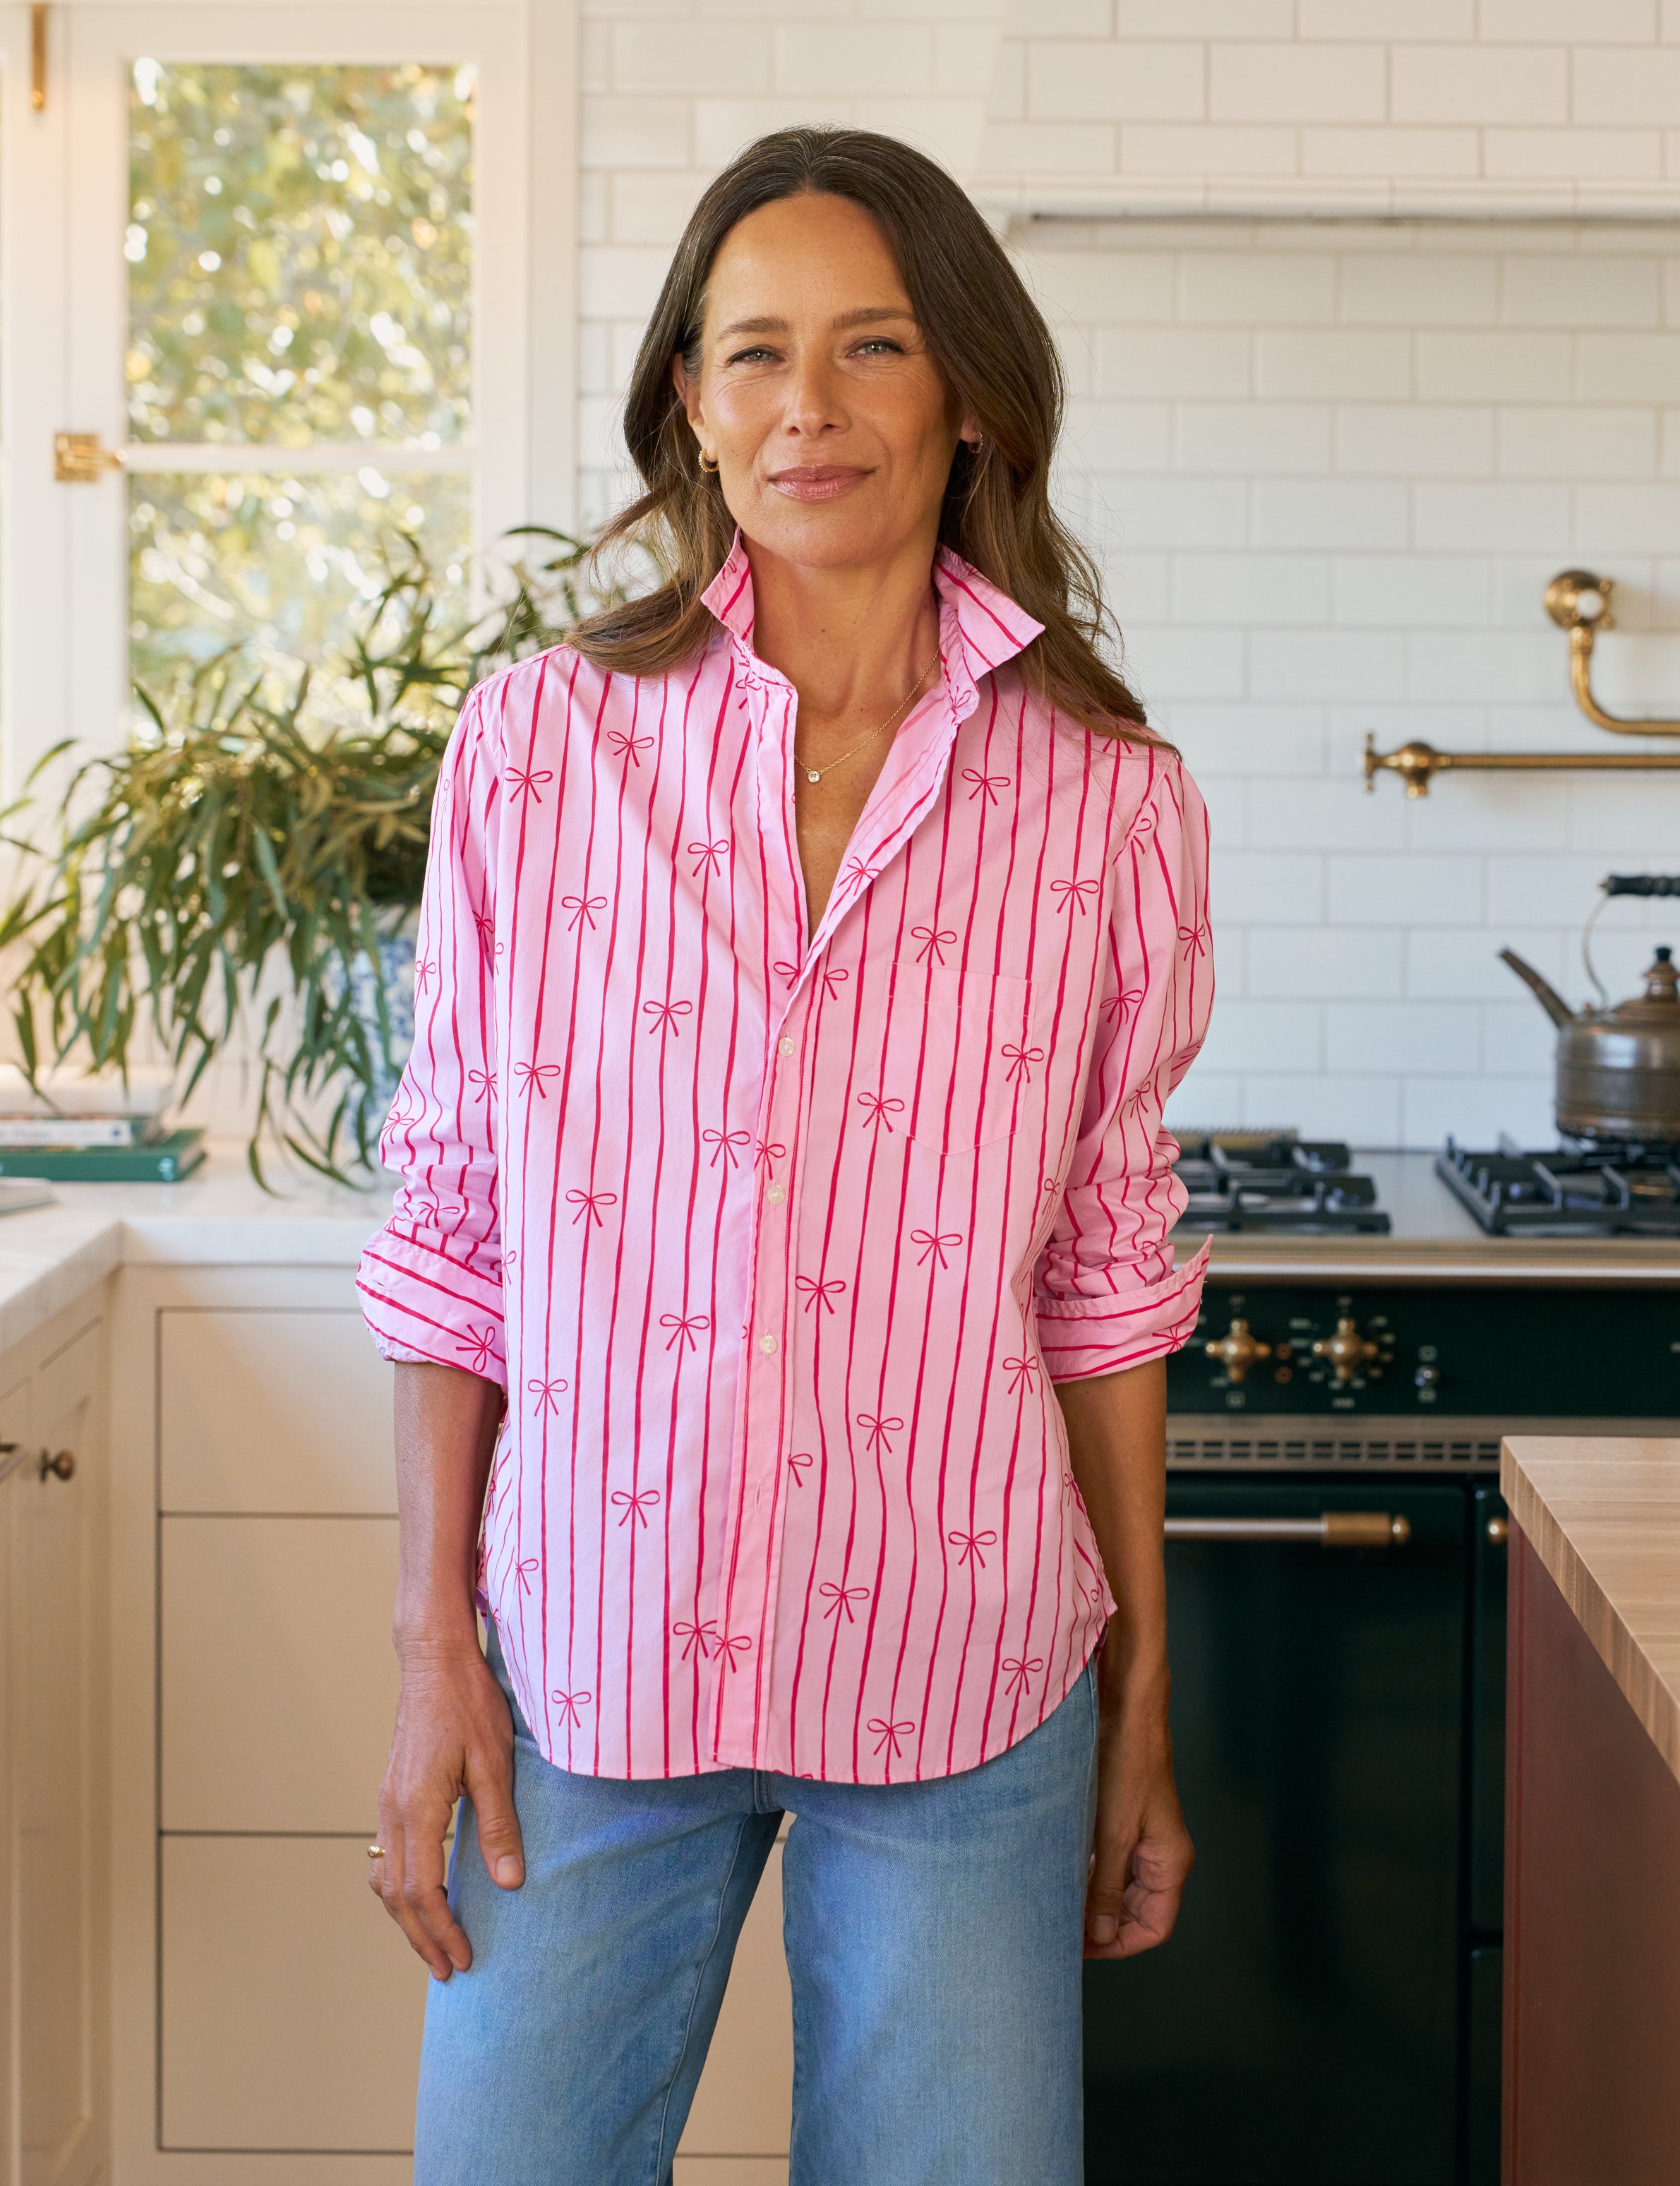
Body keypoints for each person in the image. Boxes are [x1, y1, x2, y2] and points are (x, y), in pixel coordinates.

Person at [358, 124, 1213, 2186]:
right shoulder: (537, 750)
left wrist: (1140, 1707)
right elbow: (456, 1224)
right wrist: (427, 1660)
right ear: (689, 402)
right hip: (585, 1668)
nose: (803, 408)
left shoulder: (1107, 801)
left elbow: (1103, 1268)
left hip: (965, 1678)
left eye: (869, 346)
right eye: (749, 355)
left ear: (970, 394)